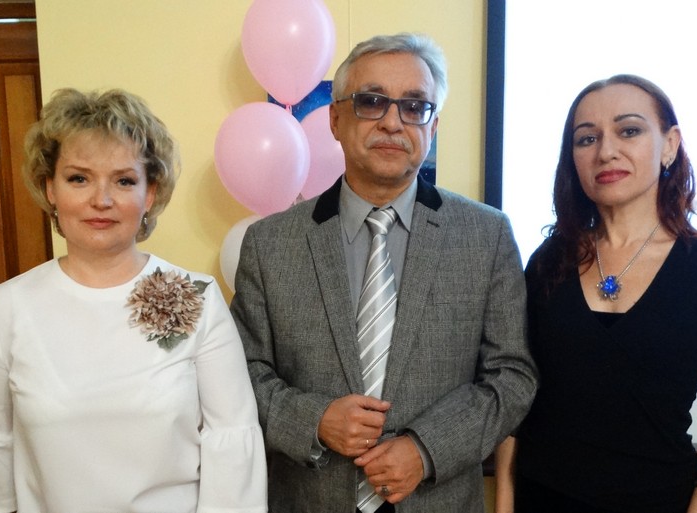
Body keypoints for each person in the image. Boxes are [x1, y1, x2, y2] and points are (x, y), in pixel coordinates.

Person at [229, 32, 538, 513]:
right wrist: (314, 420)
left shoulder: (487, 235)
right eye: (372, 101)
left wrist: (426, 448)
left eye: (415, 107)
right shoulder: (270, 244)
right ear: (335, 119)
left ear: (433, 127)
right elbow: (242, 373)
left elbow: (511, 376)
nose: (393, 122)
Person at [0, 88, 267, 513]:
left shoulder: (197, 299)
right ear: (50, 188)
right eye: (78, 178)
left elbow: (232, 447)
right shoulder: (6, 310)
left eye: (123, 181)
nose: (101, 200)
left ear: (150, 193)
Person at [495, 74, 697, 513]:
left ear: (669, 144)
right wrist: (504, 503)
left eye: (629, 130)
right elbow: (516, 393)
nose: (606, 151)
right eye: (587, 138)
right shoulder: (548, 262)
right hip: (542, 497)